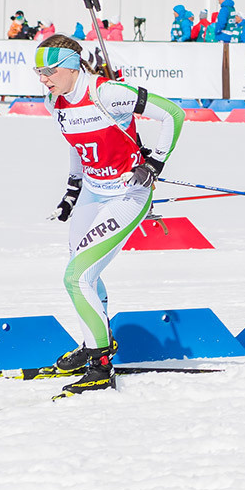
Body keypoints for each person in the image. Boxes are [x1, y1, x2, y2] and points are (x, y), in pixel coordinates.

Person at [33, 34, 186, 396]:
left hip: (128, 193)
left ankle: (100, 366)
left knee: (76, 277)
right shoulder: (55, 101)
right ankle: (95, 341)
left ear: (71, 66)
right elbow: (77, 145)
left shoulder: (108, 93)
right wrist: (72, 191)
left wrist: (154, 163)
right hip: (93, 192)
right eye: (38, 72)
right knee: (84, 271)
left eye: (49, 70)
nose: (43, 78)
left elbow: (173, 114)